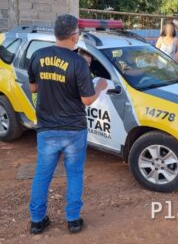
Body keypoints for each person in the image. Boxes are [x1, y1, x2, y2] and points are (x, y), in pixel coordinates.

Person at [28, 14, 108, 234]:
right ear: (74, 36)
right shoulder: (78, 62)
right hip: (73, 129)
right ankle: (72, 220)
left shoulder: (37, 56)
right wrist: (100, 86)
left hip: (46, 128)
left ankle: (36, 221)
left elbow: (33, 88)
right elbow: (87, 100)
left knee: (42, 175)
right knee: (74, 174)